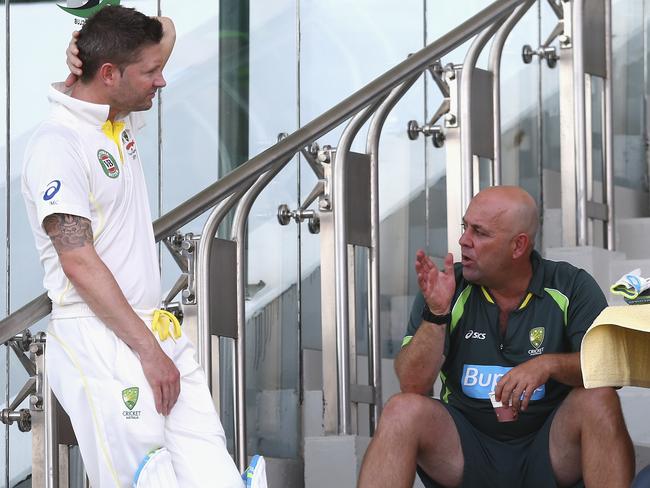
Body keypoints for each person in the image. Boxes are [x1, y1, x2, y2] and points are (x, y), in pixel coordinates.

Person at [22, 6, 264, 487]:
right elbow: (78, 261)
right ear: (109, 75)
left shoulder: (115, 117)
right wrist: (148, 351)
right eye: (151, 72)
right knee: (148, 481)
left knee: (219, 478)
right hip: (101, 340)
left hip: (151, 332)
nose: (162, 81)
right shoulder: (57, 143)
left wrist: (87, 41)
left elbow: (163, 35)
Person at [358, 186, 635, 488]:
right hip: (465, 449)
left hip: (549, 448)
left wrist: (548, 365)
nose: (464, 240)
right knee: (401, 410)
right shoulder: (450, 288)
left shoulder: (571, 286)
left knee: (599, 398)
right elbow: (413, 385)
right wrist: (437, 313)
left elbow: (608, 370)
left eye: (480, 232)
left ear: (518, 246)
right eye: (465, 227)